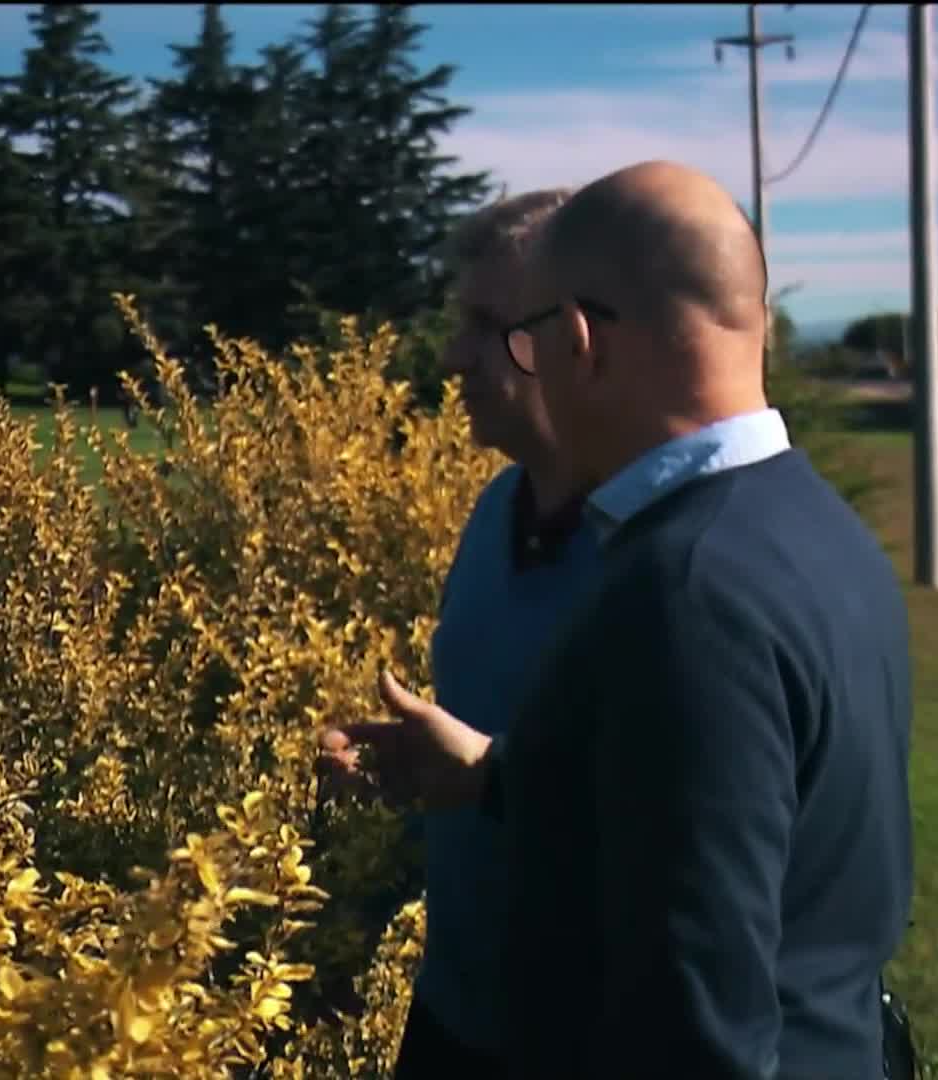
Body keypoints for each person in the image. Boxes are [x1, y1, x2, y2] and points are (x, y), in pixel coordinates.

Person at [322, 161, 916, 1079]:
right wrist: (499, 777)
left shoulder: (687, 589)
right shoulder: (821, 535)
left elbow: (698, 1033)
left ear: (580, 341)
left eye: (521, 338)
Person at [394, 188, 599, 1080]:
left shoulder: (667, 559)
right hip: (456, 1013)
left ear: (573, 336)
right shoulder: (492, 514)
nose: (453, 357)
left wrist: (489, 775)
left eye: (485, 324)